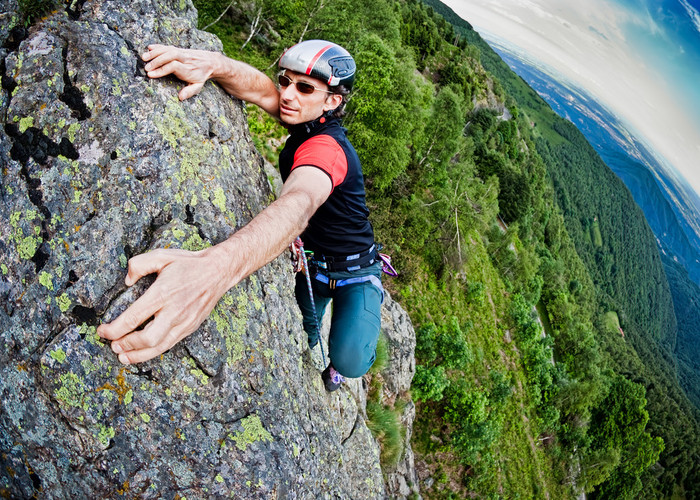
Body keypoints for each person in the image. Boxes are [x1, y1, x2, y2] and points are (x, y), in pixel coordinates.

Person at [97, 40, 383, 392]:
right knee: (306, 327)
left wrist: (216, 269)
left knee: (350, 359)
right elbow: (261, 90)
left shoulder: (327, 148)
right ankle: (313, 342)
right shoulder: (304, 117)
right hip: (312, 262)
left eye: (304, 87)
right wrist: (214, 64)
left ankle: (339, 367)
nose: (289, 94)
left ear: (332, 100)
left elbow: (301, 202)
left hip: (355, 270)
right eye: (286, 80)